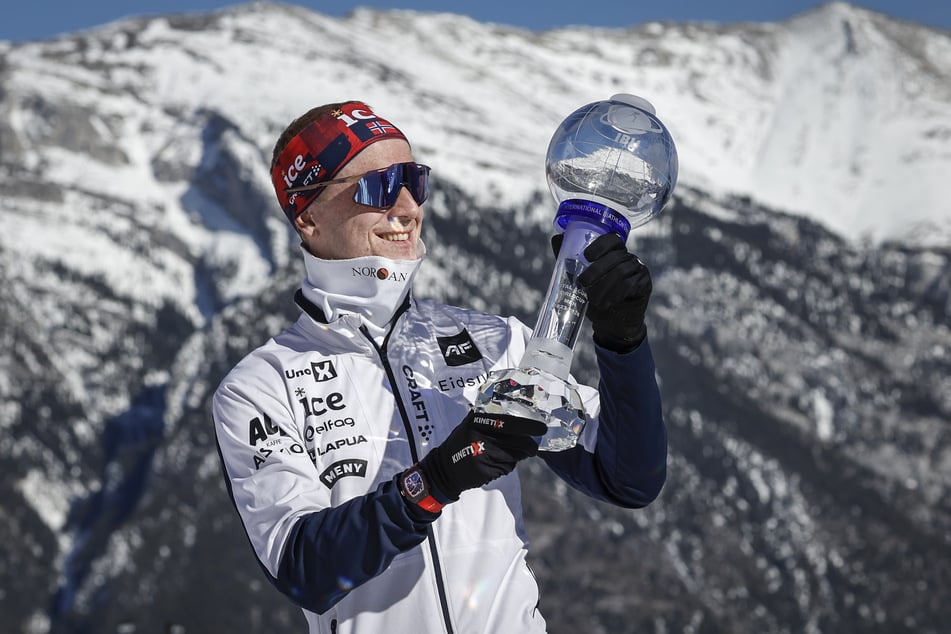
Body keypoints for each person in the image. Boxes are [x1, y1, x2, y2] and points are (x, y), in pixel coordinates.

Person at [212, 100, 667, 634]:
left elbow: (629, 479)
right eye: (379, 187)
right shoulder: (260, 386)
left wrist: (623, 341)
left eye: (414, 181)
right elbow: (304, 568)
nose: (406, 207)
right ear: (308, 216)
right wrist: (438, 478)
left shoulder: (495, 341)